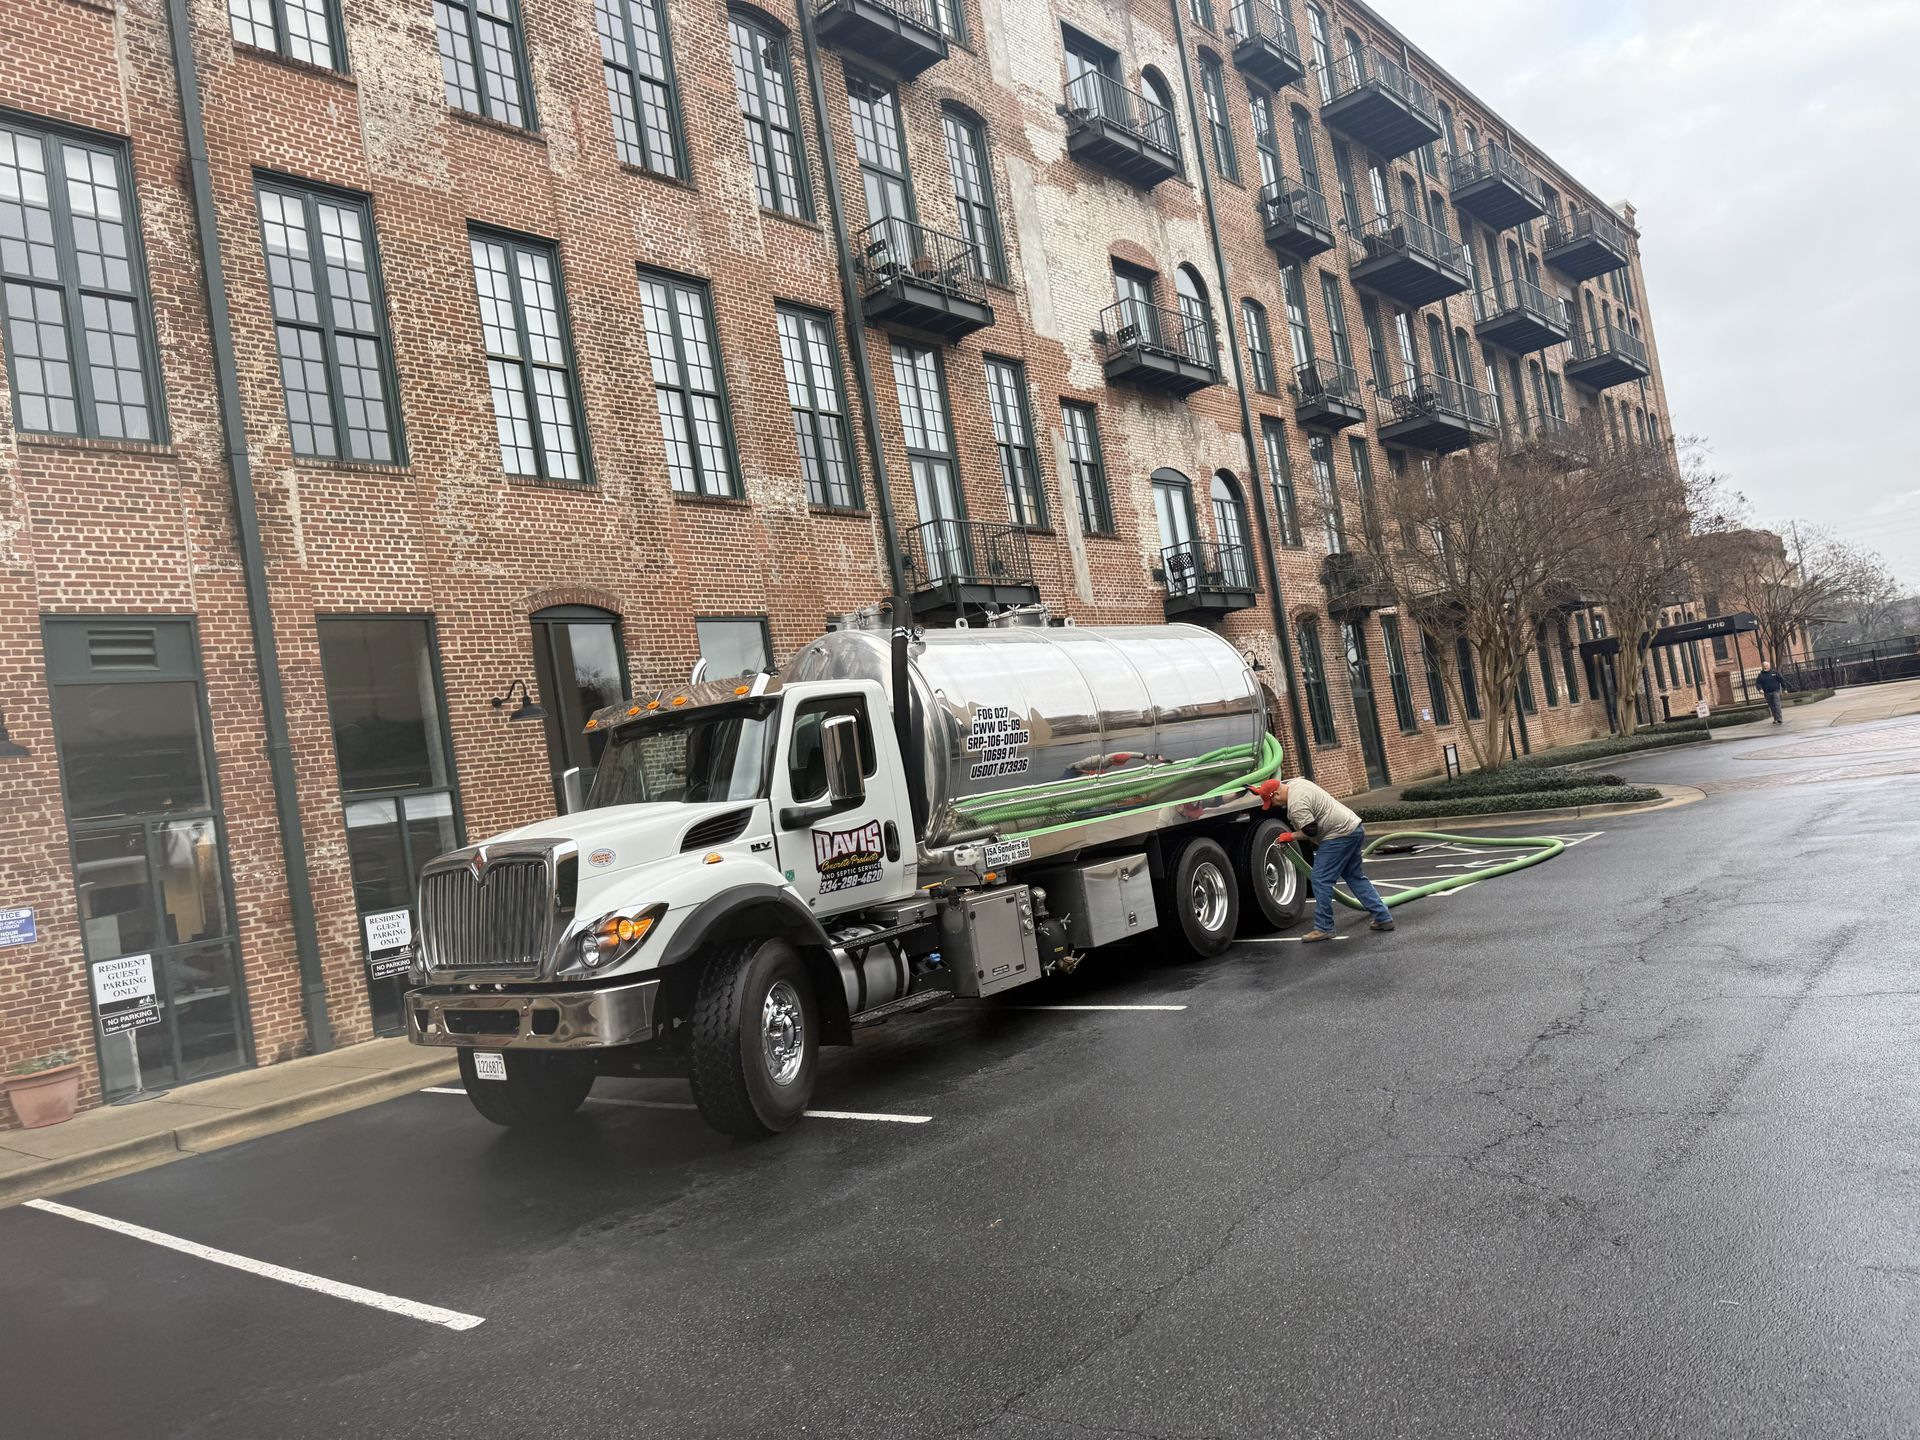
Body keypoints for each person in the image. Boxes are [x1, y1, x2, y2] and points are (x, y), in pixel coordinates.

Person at [1250, 776, 1394, 942]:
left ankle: (1324, 928)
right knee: (1354, 876)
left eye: (1272, 801)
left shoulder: (1297, 805)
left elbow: (1311, 831)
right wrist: (1261, 790)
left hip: (1338, 836)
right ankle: (1383, 918)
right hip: (1354, 827)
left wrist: (1290, 836)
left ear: (1276, 794)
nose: (1274, 805)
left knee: (1320, 880)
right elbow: (1274, 787)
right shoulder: (1296, 784)